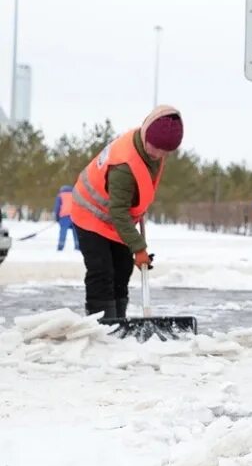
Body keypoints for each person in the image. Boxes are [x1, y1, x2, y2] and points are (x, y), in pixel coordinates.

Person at [70, 105, 184, 319]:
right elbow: (119, 211)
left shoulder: (152, 152)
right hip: (90, 214)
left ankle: (118, 321)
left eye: (164, 151)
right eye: (154, 147)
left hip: (114, 219)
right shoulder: (124, 164)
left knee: (122, 268)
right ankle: (102, 325)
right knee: (102, 271)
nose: (156, 153)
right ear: (146, 133)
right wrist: (139, 248)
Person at [53, 185, 80, 251]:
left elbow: (57, 207)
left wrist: (57, 217)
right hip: (74, 216)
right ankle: (77, 246)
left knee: (63, 231)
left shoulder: (60, 195)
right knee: (76, 232)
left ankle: (61, 246)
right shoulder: (75, 195)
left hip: (64, 216)